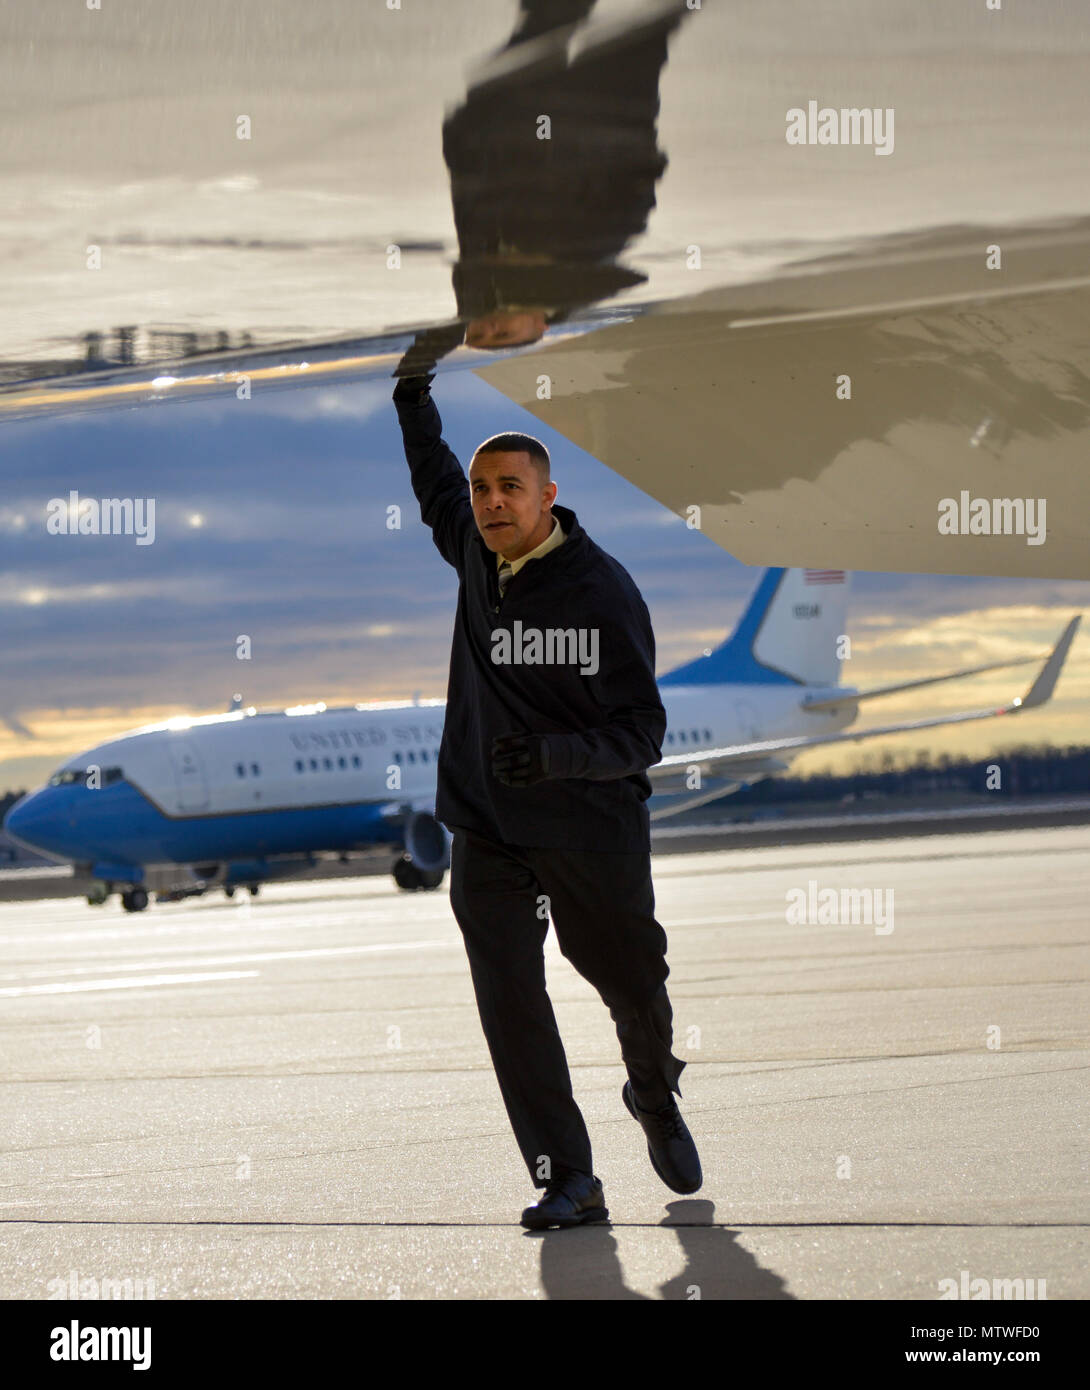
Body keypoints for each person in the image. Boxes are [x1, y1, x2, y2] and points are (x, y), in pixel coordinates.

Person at [392, 370, 701, 1230]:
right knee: (511, 1002)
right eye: (484, 489)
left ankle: (652, 1089)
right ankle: (569, 1176)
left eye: (509, 488)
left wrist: (560, 756)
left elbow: (643, 732)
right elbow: (433, 482)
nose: (490, 503)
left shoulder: (600, 592)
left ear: (548, 497)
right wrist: (412, 396)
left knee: (630, 982)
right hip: (486, 824)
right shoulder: (473, 551)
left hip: (588, 824)